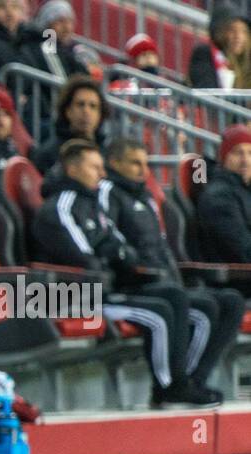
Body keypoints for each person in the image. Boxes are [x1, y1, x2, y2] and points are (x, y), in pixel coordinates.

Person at [32, 139, 215, 409]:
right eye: (95, 168)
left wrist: (129, 267)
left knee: (178, 298)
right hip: (75, 297)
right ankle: (168, 387)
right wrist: (117, 271)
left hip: (107, 290)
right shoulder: (62, 206)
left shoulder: (91, 203)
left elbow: (118, 246)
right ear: (72, 170)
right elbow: (85, 259)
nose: (102, 174)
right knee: (158, 313)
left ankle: (183, 383)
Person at [100, 137, 238, 402]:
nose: (143, 170)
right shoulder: (108, 193)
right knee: (190, 303)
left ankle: (193, 381)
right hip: (133, 283)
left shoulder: (147, 197)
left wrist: (174, 275)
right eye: (134, 163)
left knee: (230, 301)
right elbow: (111, 242)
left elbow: (162, 247)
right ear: (114, 163)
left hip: (162, 280)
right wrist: (138, 270)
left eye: (145, 163)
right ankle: (172, 385)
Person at [197, 125, 251, 286]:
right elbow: (242, 250)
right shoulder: (219, 196)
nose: (245, 160)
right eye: (237, 153)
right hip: (237, 280)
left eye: (250, 152)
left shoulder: (245, 188)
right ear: (224, 157)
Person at [30, 75, 108, 175]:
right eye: (80, 104)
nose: (86, 111)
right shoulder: (48, 154)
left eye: (93, 106)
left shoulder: (107, 154)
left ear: (100, 114)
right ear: (67, 111)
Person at [189, 1, 251, 91]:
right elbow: (207, 91)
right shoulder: (204, 54)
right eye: (232, 30)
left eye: (244, 31)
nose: (238, 37)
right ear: (218, 32)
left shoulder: (247, 62)